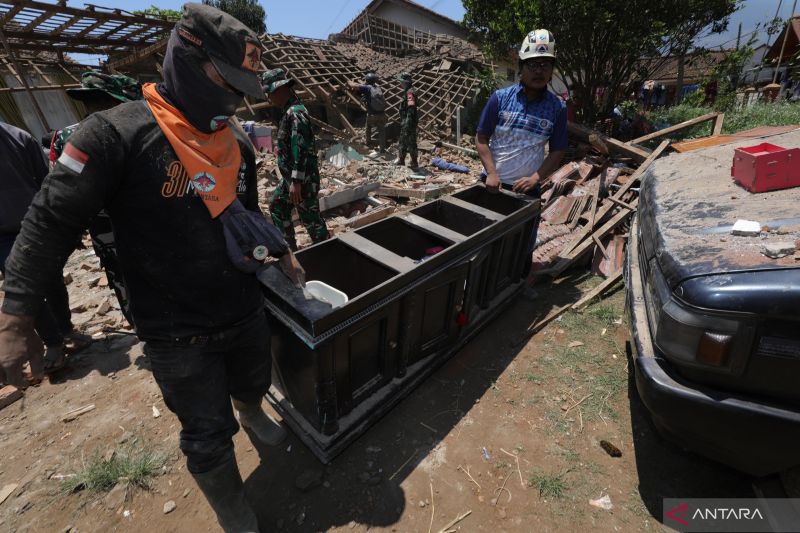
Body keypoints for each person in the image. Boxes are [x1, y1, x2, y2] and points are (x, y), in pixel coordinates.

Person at [0, 4, 306, 531]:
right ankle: (235, 511)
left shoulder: (233, 142)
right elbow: (47, 222)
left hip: (243, 305)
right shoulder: (110, 135)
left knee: (254, 379)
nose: (234, 97)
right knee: (206, 433)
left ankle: (252, 411)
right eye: (224, 80)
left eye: (242, 85)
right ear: (187, 58)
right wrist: (15, 318)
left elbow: (248, 212)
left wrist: (282, 249)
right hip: (175, 330)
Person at [48, 72, 144, 357]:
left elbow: (61, 192)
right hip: (143, 222)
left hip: (104, 228)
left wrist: (71, 230)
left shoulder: (66, 137)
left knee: (121, 280)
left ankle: (145, 333)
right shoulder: (134, 128)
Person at [474, 28, 567, 279]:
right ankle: (481, 286)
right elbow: (481, 138)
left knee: (522, 242)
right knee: (484, 239)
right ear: (521, 66)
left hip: (527, 190)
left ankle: (515, 284)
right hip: (492, 185)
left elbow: (558, 150)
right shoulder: (500, 99)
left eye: (546, 65)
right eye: (533, 64)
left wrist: (536, 178)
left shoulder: (557, 107)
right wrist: (491, 173)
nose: (540, 71)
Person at [263, 67, 329, 251]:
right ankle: (289, 251)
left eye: (270, 93)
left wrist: (296, 181)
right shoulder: (290, 111)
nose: (269, 98)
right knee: (277, 206)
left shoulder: (295, 113)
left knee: (311, 220)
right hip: (291, 180)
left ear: (280, 89)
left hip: (302, 180)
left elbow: (300, 148)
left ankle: (329, 250)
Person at [347, 72, 387, 155]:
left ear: (367, 80)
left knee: (368, 127)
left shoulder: (367, 88)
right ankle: (382, 149)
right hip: (382, 114)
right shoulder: (377, 87)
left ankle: (368, 143)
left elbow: (354, 86)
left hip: (372, 115)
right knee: (381, 131)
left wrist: (348, 81)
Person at [393, 71, 418, 169]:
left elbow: (411, 108)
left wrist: (408, 122)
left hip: (408, 121)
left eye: (401, 82)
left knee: (404, 140)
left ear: (406, 82)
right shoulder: (410, 91)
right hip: (409, 120)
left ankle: (402, 160)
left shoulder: (410, 92)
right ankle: (413, 162)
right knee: (411, 141)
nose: (400, 83)